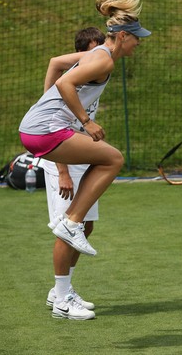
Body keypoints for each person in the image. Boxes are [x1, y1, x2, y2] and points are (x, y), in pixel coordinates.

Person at [19, 0, 151, 320]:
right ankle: (70, 226)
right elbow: (64, 81)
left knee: (105, 160)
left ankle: (72, 232)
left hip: (39, 130)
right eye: (136, 40)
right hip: (44, 132)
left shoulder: (100, 55)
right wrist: (86, 122)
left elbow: (59, 69)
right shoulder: (104, 58)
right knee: (114, 158)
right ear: (123, 37)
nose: (138, 45)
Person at [41, 27, 105, 317]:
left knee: (85, 226)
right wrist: (62, 171)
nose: (98, 56)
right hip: (62, 160)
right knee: (68, 228)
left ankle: (61, 290)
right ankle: (62, 300)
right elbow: (52, 129)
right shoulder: (69, 76)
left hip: (81, 155)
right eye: (92, 51)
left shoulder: (95, 71)